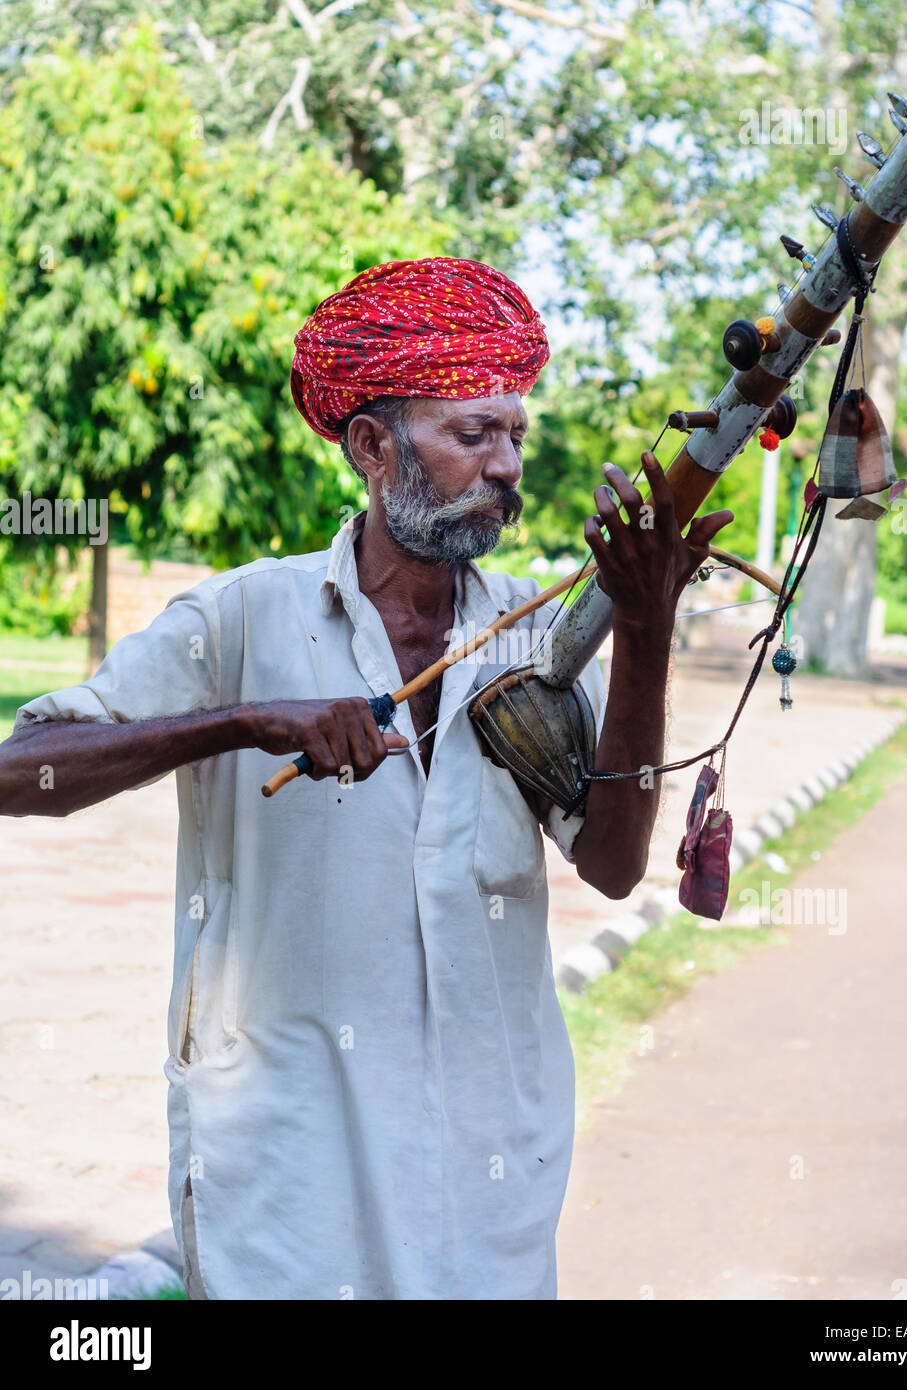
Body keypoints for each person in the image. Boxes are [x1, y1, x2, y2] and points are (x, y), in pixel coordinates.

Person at [0, 257, 732, 1299]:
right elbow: (21, 774)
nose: (506, 465)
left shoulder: (537, 633)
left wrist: (646, 628)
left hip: (484, 1158)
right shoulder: (242, 618)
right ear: (371, 444)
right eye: (471, 433)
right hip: (287, 1163)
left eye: (515, 434)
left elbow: (613, 865)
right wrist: (242, 721)